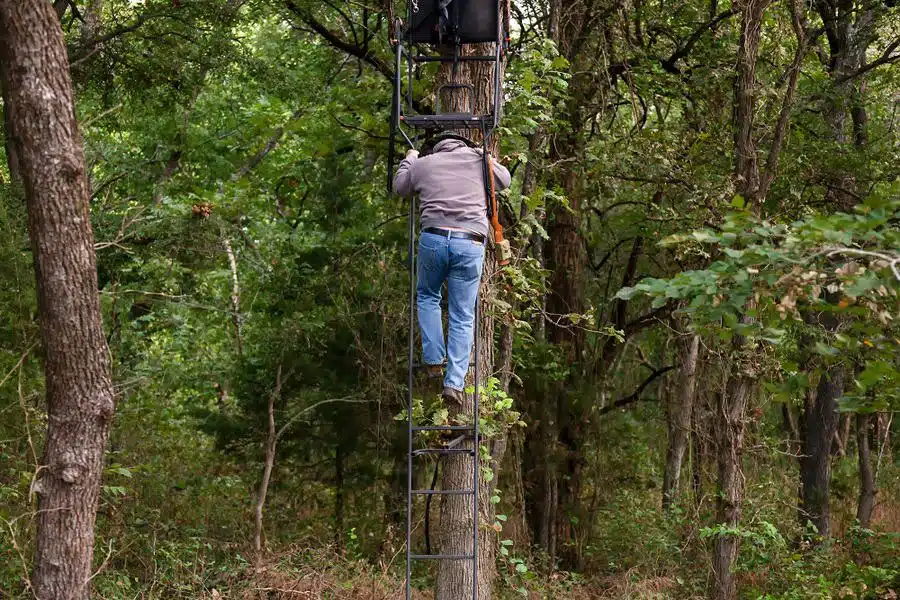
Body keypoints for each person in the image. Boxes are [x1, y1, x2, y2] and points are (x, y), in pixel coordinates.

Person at [393, 133, 511, 404]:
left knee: (427, 296)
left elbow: (400, 187)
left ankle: (434, 360)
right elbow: (505, 181)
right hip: (469, 243)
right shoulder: (479, 160)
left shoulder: (426, 163)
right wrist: (486, 155)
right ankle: (454, 383)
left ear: (438, 147)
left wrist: (410, 159)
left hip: (433, 238)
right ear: (464, 145)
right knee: (462, 314)